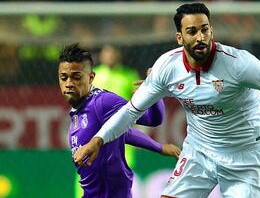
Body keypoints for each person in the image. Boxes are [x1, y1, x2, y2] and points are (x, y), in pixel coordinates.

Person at [74, 3, 260, 198]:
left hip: (246, 157)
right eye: (192, 31)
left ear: (212, 30)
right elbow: (130, 111)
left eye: (205, 29)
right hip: (199, 153)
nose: (200, 37)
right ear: (180, 38)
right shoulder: (167, 67)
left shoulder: (240, 64)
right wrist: (98, 141)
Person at [58, 43, 180, 198]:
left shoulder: (103, 102)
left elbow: (152, 119)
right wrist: (159, 147)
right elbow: (121, 130)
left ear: (90, 78)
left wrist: (154, 93)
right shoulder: (77, 111)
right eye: (64, 77)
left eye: (76, 77)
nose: (69, 83)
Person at [93, 44, 140, 169]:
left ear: (118, 55)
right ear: (101, 56)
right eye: (106, 53)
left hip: (122, 128)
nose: (110, 56)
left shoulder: (129, 76)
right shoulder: (93, 75)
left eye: (112, 53)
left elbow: (139, 102)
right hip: (97, 128)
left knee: (122, 168)